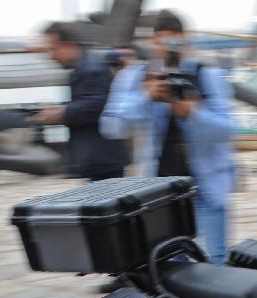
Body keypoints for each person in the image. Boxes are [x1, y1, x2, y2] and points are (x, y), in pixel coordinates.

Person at [100, 10, 235, 264]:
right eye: (164, 42)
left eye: (176, 42)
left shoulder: (207, 76)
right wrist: (145, 96)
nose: (171, 50)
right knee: (169, 263)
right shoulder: (138, 78)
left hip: (206, 187)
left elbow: (227, 131)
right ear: (154, 42)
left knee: (217, 261)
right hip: (160, 192)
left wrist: (193, 112)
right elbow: (111, 127)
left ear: (186, 41)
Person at [33, 22, 129, 182]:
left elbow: (98, 104)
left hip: (103, 160)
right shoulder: (85, 68)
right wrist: (62, 109)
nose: (51, 56)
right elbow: (87, 101)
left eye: (53, 49)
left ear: (70, 45)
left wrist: (62, 112)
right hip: (99, 161)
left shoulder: (92, 69)